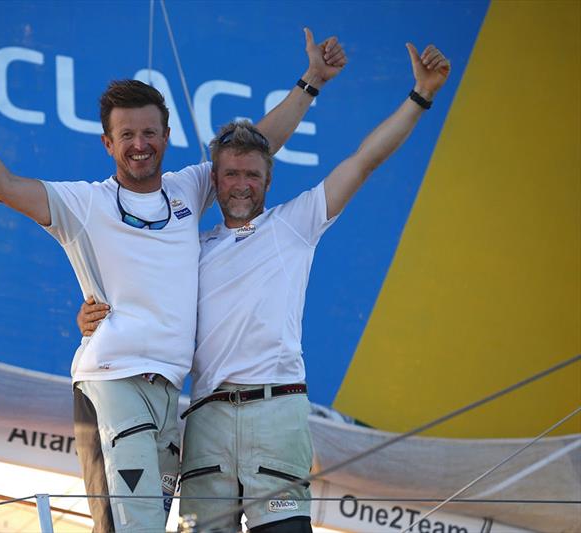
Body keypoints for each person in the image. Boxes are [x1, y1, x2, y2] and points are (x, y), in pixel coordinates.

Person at [0, 28, 345, 532]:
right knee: (135, 526)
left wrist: (312, 80)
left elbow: (260, 143)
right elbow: (3, 187)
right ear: (108, 143)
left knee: (153, 521)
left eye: (150, 133)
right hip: (112, 379)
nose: (140, 145)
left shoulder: (190, 187)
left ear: (166, 138)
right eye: (127, 135)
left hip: (168, 393)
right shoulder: (84, 204)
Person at [78, 42, 450, 532]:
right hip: (207, 422)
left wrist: (419, 96)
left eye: (252, 174)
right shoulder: (190, 248)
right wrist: (91, 317)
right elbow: (139, 295)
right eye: (230, 174)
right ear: (215, 180)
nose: (240, 184)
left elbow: (363, 161)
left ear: (268, 180)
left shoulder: (295, 225)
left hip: (276, 414)